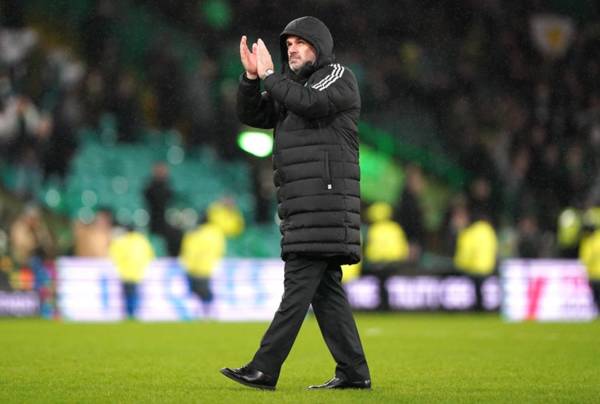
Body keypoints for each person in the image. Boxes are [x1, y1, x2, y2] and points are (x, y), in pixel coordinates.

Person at [220, 16, 371, 391]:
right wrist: (252, 79)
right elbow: (253, 114)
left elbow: (310, 102)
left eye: (301, 44)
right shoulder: (291, 90)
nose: (292, 50)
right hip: (305, 207)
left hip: (325, 204)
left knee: (297, 289)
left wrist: (272, 77)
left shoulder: (337, 76)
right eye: (288, 46)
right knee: (325, 292)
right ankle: (354, 372)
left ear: (319, 47)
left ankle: (264, 368)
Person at [179, 212, 226, 319]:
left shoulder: (192, 233)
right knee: (205, 292)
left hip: (192, 268)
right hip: (207, 268)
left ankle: (203, 313)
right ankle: (209, 313)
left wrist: (186, 263)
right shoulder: (216, 233)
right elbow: (220, 249)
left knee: (196, 292)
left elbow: (186, 250)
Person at [109, 225, 155, 319]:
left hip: (124, 273)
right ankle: (134, 313)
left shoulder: (121, 241)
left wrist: (119, 266)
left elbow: (114, 255)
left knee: (127, 295)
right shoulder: (141, 240)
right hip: (138, 273)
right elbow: (150, 255)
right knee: (135, 294)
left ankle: (129, 313)